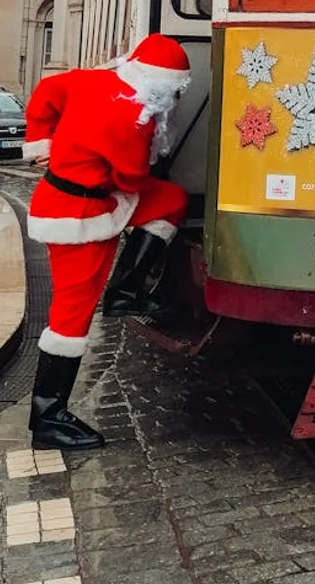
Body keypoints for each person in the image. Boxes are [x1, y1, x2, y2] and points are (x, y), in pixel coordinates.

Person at [22, 34, 191, 450]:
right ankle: (49, 417)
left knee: (170, 200)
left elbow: (46, 92)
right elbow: (131, 178)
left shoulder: (92, 79)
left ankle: (125, 292)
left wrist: (43, 142)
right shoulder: (134, 118)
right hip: (79, 215)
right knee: (70, 317)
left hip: (78, 195)